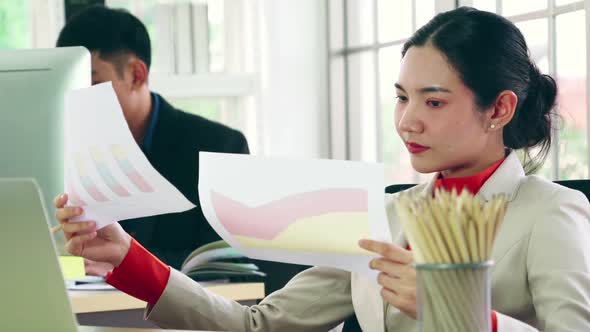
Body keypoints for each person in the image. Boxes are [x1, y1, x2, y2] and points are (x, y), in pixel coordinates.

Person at [54, 7, 590, 331]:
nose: (407, 121)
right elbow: (258, 324)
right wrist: (129, 261)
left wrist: (462, 313)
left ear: (498, 109)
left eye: (433, 102)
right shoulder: (384, 216)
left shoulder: (549, 212)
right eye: (402, 98)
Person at [56, 5, 250, 272]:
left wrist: (125, 264)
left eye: (89, 82)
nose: (77, 99)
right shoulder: (68, 153)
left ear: (136, 75)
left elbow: (229, 265)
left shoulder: (219, 147)